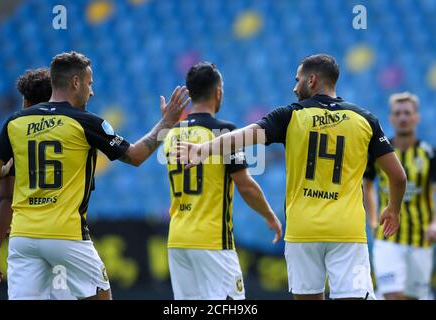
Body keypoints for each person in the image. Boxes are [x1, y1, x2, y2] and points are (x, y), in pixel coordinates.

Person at [174, 54, 407, 300]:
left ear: (313, 80)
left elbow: (243, 136)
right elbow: (398, 177)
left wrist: (203, 149)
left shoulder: (290, 115)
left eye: (298, 80)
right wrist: (393, 208)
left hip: (301, 231)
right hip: (346, 231)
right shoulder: (365, 119)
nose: (295, 87)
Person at [0, 51, 190, 300]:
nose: (91, 91)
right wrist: (166, 123)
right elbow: (135, 156)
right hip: (66, 236)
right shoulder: (86, 122)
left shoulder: (16, 121)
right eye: (89, 83)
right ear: (75, 82)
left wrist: (5, 168)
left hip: (23, 239)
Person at [163, 62, 282, 300]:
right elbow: (245, 185)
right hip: (212, 241)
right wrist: (270, 215)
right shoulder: (223, 132)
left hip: (178, 240)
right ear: (218, 92)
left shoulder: (171, 133)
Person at [364, 92, 436, 300]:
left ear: (416, 118)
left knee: (413, 297)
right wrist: (373, 219)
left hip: (420, 238)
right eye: (398, 113)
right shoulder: (378, 152)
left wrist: (434, 223)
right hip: (388, 237)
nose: (403, 117)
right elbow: (366, 185)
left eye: (407, 113)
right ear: (391, 119)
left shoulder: (428, 153)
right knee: (392, 295)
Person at [0, 68, 52, 287]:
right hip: (66, 233)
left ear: (25, 102)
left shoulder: (17, 130)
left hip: (24, 234)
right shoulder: (75, 127)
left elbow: (5, 197)